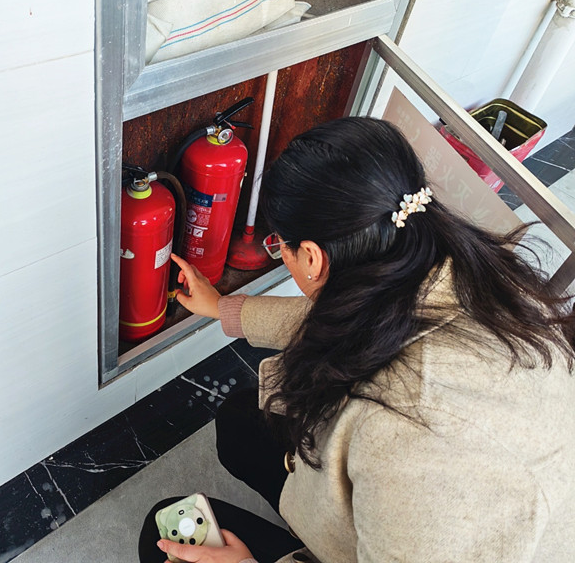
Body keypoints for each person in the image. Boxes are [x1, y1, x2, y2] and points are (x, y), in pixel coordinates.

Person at [138, 117, 575, 563]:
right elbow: (359, 316)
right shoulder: (459, 265)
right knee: (241, 421)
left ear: (311, 257)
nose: (280, 253)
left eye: (279, 245)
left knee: (158, 538)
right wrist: (222, 307)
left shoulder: (407, 436)